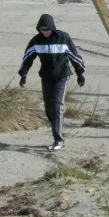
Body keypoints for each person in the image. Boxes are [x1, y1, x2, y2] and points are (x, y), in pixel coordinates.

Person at [18, 13, 86, 151]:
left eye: (47, 29)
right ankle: (56, 129)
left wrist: (80, 74)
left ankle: (58, 139)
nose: (45, 32)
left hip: (62, 76)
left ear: (52, 28)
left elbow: (74, 56)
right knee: (49, 108)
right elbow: (27, 58)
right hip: (46, 77)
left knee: (57, 105)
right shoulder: (36, 41)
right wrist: (23, 75)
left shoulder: (63, 38)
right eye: (42, 30)